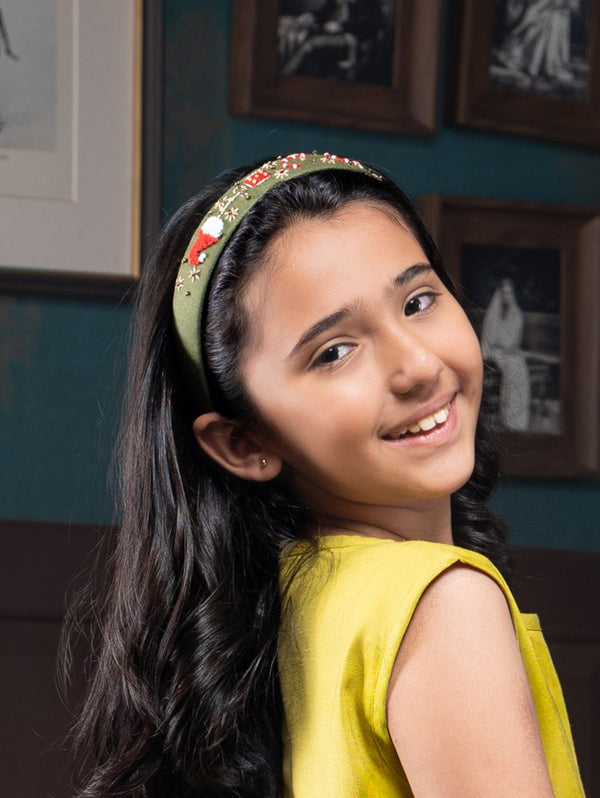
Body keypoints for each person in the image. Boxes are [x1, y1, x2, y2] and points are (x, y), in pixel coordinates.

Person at [68, 152, 583, 796]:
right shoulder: (443, 607)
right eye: (334, 352)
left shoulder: (286, 610)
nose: (417, 366)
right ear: (243, 440)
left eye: (418, 300)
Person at [481, 277, 531, 431]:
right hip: (493, 352)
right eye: (504, 292)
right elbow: (491, 339)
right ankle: (507, 415)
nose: (506, 296)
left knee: (519, 365)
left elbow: (514, 339)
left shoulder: (516, 313)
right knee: (513, 364)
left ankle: (517, 419)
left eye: (509, 292)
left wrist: (509, 347)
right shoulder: (494, 313)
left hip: (509, 352)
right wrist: (505, 346)